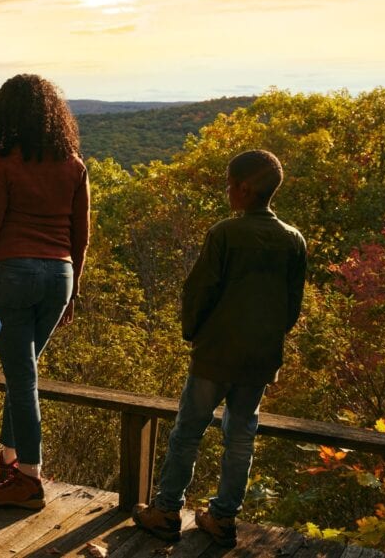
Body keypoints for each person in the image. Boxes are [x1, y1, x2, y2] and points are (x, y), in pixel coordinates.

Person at [132, 149, 307, 548]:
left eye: (229, 185)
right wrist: (270, 338)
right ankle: (223, 518)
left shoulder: (226, 233)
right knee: (241, 436)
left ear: (243, 190)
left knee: (187, 433)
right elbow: (291, 304)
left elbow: (199, 290)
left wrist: (192, 332)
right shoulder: (293, 240)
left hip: (215, 354)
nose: (227, 191)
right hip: (260, 359)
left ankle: (166, 510)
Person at [0, 74, 90, 510]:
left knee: (23, 379)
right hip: (59, 276)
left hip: (13, 274)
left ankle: (30, 478)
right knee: (23, 374)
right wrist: (73, 288)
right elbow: (80, 234)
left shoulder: (4, 162)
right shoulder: (74, 165)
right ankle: (10, 461)